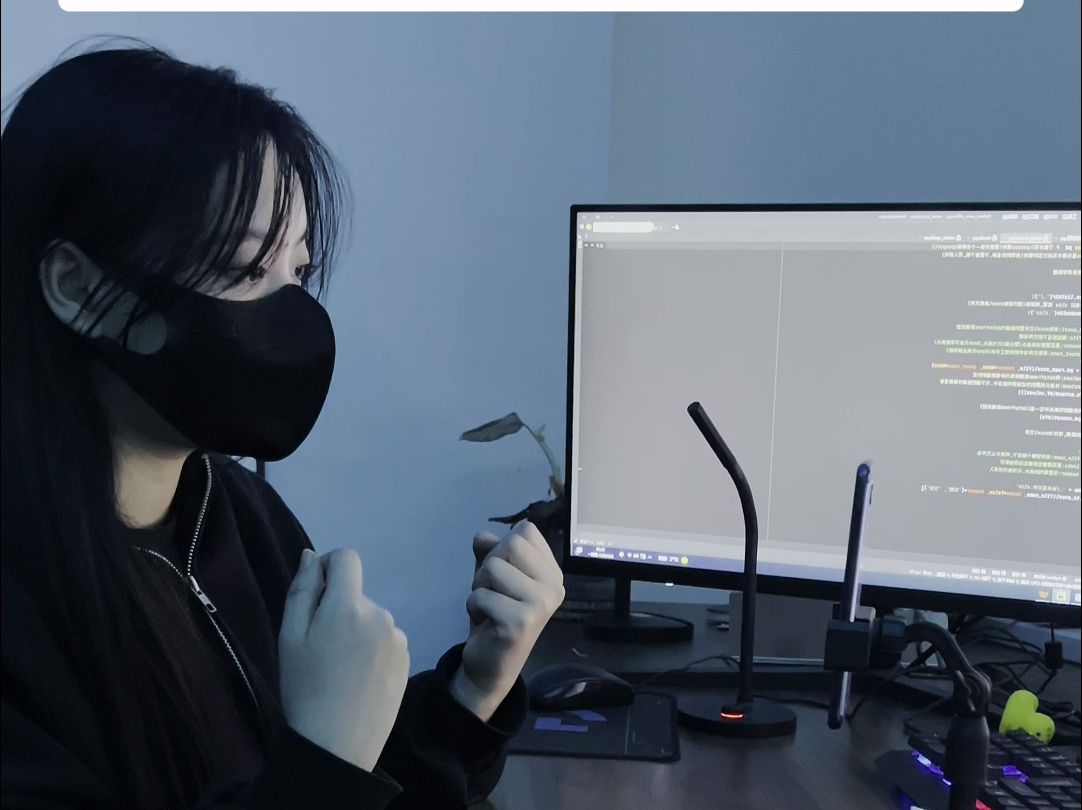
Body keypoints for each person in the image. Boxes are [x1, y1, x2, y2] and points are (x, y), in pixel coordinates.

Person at [0, 43, 565, 810]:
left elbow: (359, 785)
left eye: (296, 271)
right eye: (242, 270)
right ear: (76, 286)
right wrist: (323, 760)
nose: (290, 315)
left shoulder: (241, 518)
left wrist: (474, 688)